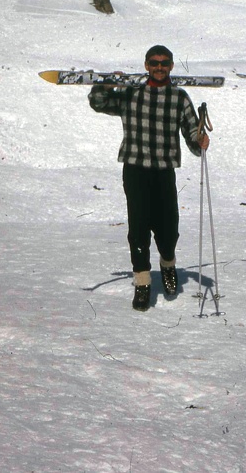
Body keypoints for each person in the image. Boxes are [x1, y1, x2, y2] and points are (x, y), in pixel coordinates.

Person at [89, 44, 210, 311]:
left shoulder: (179, 97)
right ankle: (142, 283)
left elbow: (192, 132)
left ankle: (168, 265)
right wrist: (108, 85)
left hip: (164, 171)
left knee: (168, 231)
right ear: (146, 65)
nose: (159, 67)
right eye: (154, 62)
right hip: (135, 170)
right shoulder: (131, 94)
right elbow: (98, 103)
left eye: (164, 63)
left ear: (171, 66)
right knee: (139, 230)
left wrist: (200, 139)